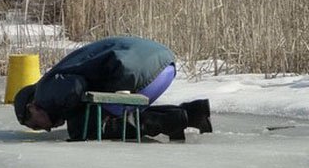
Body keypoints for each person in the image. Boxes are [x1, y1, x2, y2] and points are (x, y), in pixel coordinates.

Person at [13, 36, 212, 141]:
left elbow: (75, 87)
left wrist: (74, 118)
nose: (47, 129)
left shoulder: (44, 92)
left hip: (140, 69)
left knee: (86, 129)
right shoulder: (52, 81)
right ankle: (192, 113)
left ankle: (174, 120)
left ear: (32, 107)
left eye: (37, 125)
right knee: (103, 114)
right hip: (160, 63)